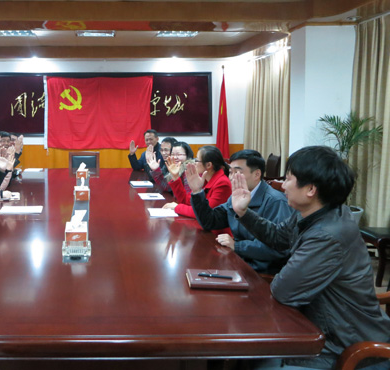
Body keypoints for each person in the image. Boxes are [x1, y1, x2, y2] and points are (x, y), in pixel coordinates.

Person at [231, 146, 390, 369]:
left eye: (288, 179)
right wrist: (243, 212)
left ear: (311, 189)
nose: (282, 185)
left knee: (251, 357)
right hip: (319, 325)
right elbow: (278, 237)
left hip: (344, 346)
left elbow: (283, 290)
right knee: (243, 351)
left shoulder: (328, 235)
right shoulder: (315, 212)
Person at [188, 149, 291, 274]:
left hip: (260, 272)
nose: (231, 177)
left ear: (257, 174)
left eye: (237, 172)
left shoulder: (275, 202)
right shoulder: (237, 196)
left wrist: (237, 246)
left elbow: (279, 249)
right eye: (231, 172)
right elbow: (210, 221)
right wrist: (197, 192)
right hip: (238, 261)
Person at [164, 145, 231, 219]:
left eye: (197, 160)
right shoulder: (205, 178)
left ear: (208, 165)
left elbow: (204, 213)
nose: (194, 163)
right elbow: (187, 201)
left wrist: (177, 207)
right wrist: (175, 176)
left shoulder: (222, 183)